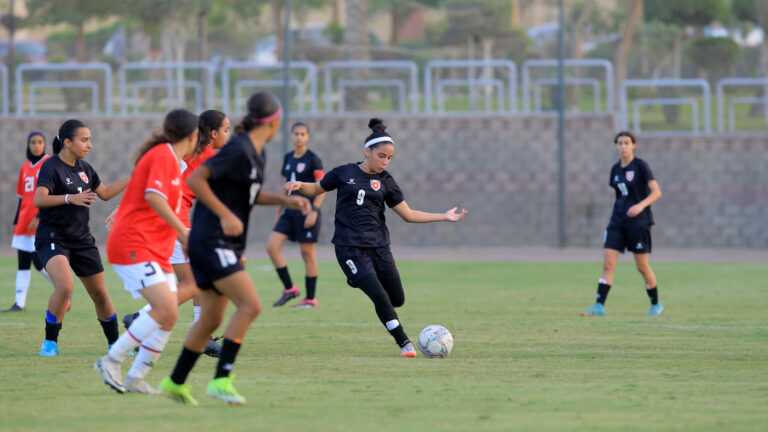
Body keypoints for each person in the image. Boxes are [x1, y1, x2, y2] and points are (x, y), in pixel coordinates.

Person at [159, 92, 310, 406]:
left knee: (210, 320)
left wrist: (286, 201)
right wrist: (225, 215)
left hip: (219, 241)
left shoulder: (256, 152)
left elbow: (249, 195)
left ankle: (175, 382)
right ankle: (221, 380)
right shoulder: (239, 149)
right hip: (210, 239)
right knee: (250, 305)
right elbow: (196, 180)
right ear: (273, 121)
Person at [284, 118, 467, 358]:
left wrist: (443, 216)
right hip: (349, 249)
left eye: (389, 158)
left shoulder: (386, 181)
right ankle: (405, 344)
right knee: (379, 296)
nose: (385, 161)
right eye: (381, 156)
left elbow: (408, 214)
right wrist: (300, 185)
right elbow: (317, 188)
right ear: (367, 151)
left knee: (397, 298)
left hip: (380, 248)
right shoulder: (344, 172)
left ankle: (387, 312)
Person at [95, 109, 199, 394]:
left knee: (169, 314)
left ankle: (136, 377)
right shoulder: (163, 155)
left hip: (156, 248)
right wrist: (184, 233)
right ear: (192, 136)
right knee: (165, 308)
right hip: (134, 244)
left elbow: (143, 194)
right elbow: (153, 196)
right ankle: (111, 360)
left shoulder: (172, 160)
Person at [115, 110, 230, 357]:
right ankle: (141, 319)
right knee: (194, 282)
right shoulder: (207, 156)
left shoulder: (182, 152)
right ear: (213, 133)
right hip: (175, 223)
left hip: (169, 221)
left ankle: (192, 334)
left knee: (192, 281)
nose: (227, 134)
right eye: (225, 130)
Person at [34, 119, 129, 356]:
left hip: (82, 240)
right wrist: (69, 198)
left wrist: (133, 178)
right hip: (53, 237)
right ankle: (50, 343)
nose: (89, 145)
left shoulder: (85, 168)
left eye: (90, 140)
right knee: (65, 286)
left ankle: (115, 344)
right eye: (84, 140)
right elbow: (39, 199)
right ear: (68, 142)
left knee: (100, 294)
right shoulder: (51, 166)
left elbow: (105, 193)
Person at [581, 131, 663, 317]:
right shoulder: (615, 169)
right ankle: (599, 306)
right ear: (616, 146)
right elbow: (617, 195)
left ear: (634, 145)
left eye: (627, 143)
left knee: (642, 266)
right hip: (617, 222)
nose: (623, 146)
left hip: (639, 223)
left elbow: (657, 192)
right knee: (608, 264)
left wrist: (640, 206)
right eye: (620, 143)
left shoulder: (641, 166)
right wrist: (616, 212)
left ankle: (656, 304)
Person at [268, 121, 326, 308]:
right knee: (272, 247)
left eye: (302, 134)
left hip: (307, 212)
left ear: (307, 137)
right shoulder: (288, 158)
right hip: (289, 212)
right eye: (296, 134)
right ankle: (290, 289)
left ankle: (310, 299)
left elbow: (322, 187)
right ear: (291, 135)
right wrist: (279, 211)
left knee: (307, 254)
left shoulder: (313, 159)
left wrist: (314, 211)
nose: (299, 137)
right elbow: (285, 185)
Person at [3, 132, 53, 313]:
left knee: (39, 262)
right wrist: (16, 222)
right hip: (24, 222)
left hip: (41, 222)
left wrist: (39, 217)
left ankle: (63, 289)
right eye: (33, 142)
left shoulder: (49, 163)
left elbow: (52, 194)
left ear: (45, 144)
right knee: (23, 263)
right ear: (28, 144)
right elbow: (21, 198)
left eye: (40, 142)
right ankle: (19, 304)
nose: (36, 145)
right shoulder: (25, 167)